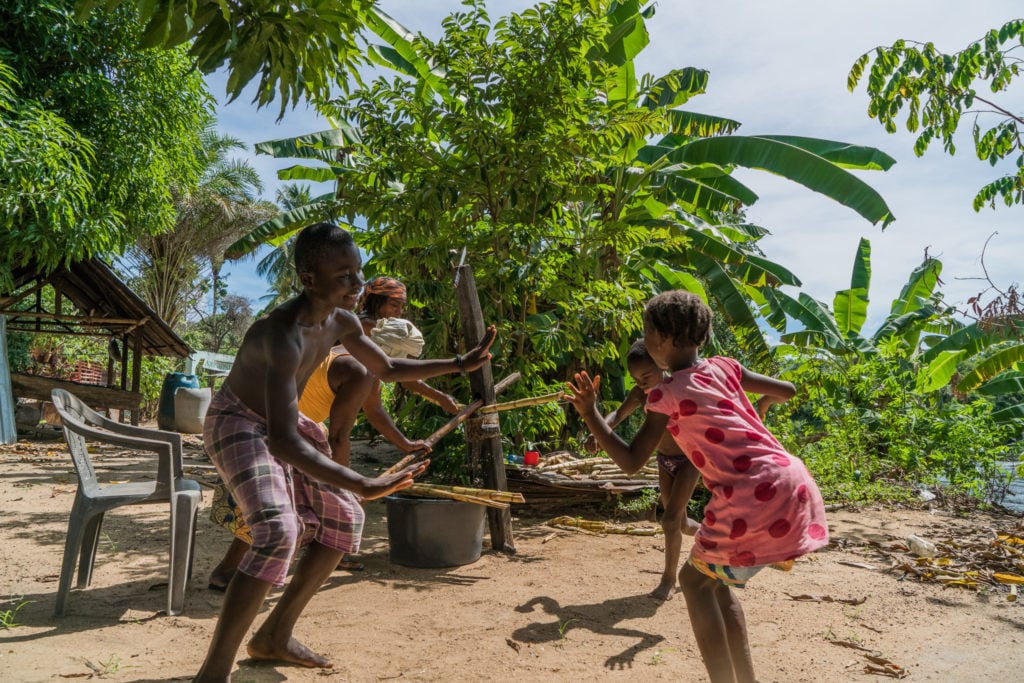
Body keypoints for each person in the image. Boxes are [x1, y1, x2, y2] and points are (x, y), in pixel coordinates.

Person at [193, 222, 496, 682]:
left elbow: (389, 367)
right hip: (238, 420)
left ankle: (274, 635)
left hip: (284, 420)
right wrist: (361, 482)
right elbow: (281, 441)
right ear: (309, 278)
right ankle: (213, 672)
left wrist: (459, 363)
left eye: (358, 273)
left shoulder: (343, 321)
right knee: (277, 530)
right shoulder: (280, 333)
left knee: (344, 518)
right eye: (344, 276)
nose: (357, 285)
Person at [566, 290, 828, 683]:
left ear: (663, 340)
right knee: (716, 585)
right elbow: (785, 388)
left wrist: (590, 414)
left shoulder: (664, 394)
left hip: (749, 491)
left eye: (647, 332)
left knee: (693, 583)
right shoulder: (726, 366)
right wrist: (756, 416)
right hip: (791, 477)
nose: (646, 340)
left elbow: (631, 461)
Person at [206, 317, 437, 587]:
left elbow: (374, 410)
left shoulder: (344, 354)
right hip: (285, 434)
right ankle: (236, 575)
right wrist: (346, 484)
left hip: (282, 428)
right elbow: (340, 436)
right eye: (406, 359)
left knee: (271, 510)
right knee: (285, 512)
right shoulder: (358, 370)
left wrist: (405, 443)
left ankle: (234, 571)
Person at [584, 338, 701, 600]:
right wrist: (602, 429)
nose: (641, 383)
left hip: (689, 460)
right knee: (680, 523)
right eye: (636, 379)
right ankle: (708, 535)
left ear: (662, 365)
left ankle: (669, 580)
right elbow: (618, 414)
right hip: (664, 460)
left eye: (646, 375)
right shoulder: (641, 393)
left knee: (669, 520)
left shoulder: (677, 387)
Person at [358, 276, 461, 416]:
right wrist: (459, 365)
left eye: (402, 306)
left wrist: (440, 397)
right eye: (394, 305)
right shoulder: (367, 326)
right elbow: (403, 375)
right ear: (376, 303)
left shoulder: (380, 334)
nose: (399, 312)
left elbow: (406, 377)